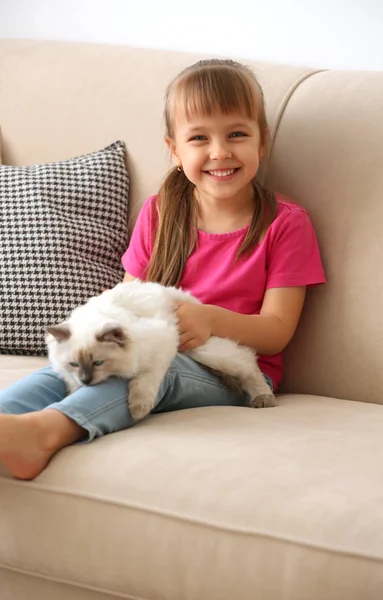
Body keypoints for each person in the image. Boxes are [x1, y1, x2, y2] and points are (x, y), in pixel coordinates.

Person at [0, 59, 326, 481]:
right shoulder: (159, 213)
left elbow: (278, 329)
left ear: (262, 142)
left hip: (228, 369)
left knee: (147, 371)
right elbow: (127, 297)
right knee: (67, 366)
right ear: (175, 150)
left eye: (237, 135)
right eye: (199, 138)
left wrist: (208, 320)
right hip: (158, 342)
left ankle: (43, 434)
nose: (220, 151)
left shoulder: (285, 223)